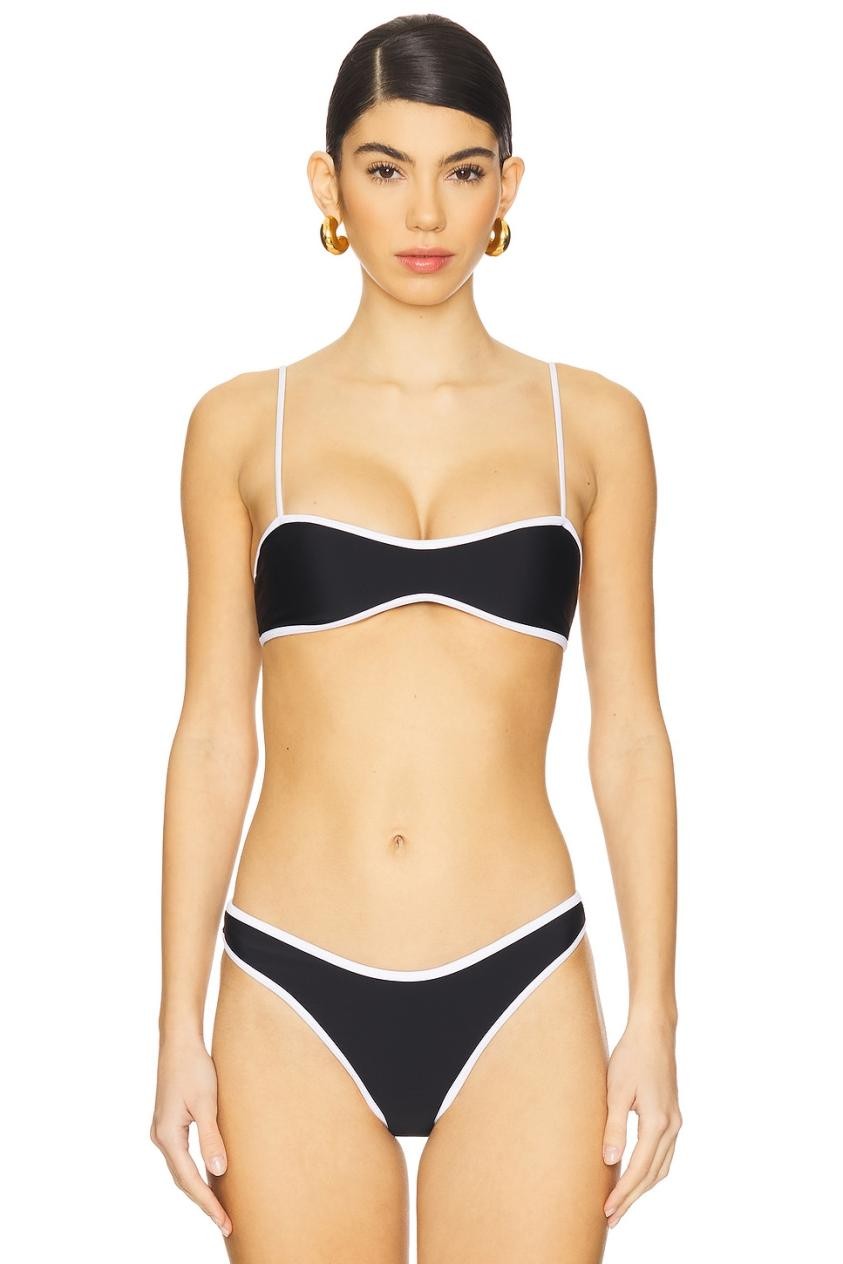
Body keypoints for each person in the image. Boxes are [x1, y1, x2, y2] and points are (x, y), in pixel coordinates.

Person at [150, 14, 681, 1262]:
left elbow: (630, 735)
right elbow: (214, 734)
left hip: (523, 974)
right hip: (288, 976)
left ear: (509, 186)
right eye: (385, 169)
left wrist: (656, 1014)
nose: (427, 213)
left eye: (463, 169)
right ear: (327, 183)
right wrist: (176, 1024)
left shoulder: (596, 425)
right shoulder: (242, 426)